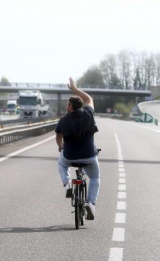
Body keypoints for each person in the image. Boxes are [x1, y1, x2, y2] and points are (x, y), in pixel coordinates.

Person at [55, 77, 100, 220]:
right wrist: (74, 89)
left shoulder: (63, 120)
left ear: (70, 107)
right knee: (95, 177)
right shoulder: (89, 114)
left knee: (61, 164)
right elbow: (88, 98)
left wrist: (61, 147)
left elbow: (58, 137)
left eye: (67, 104)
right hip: (89, 156)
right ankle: (91, 204)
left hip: (69, 156)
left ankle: (67, 183)